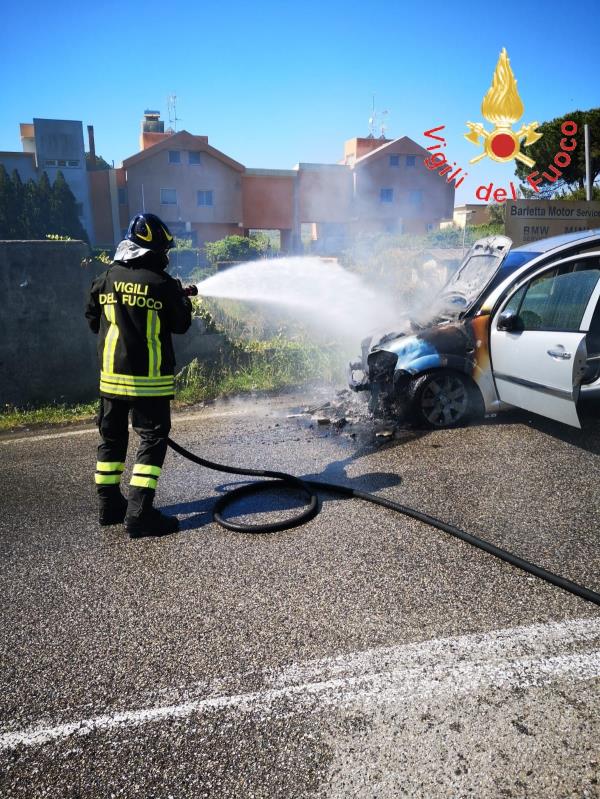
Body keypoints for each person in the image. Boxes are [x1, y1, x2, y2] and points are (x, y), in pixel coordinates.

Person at [85, 213, 192, 538]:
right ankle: (139, 513)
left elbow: (93, 320)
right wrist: (178, 298)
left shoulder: (105, 279)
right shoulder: (161, 283)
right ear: (154, 249)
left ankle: (109, 507)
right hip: (149, 382)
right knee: (151, 441)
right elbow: (180, 324)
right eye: (165, 250)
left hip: (110, 380)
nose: (167, 256)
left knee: (112, 440)